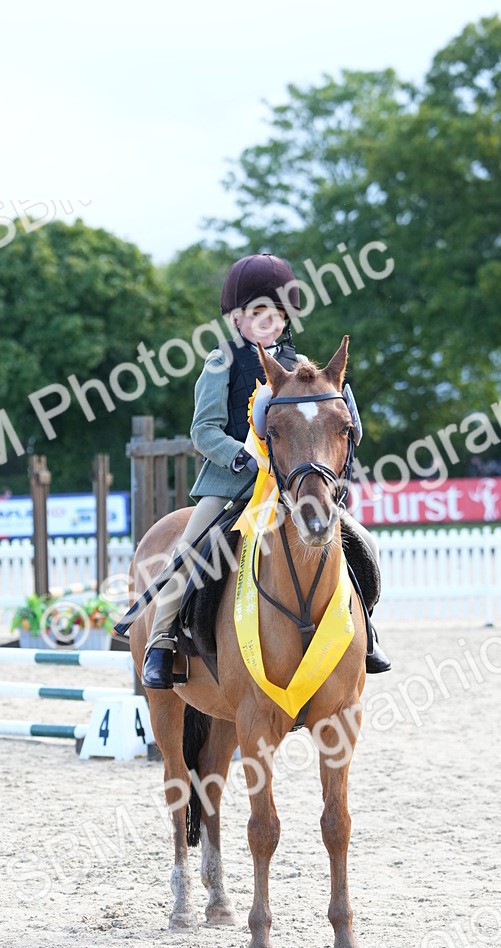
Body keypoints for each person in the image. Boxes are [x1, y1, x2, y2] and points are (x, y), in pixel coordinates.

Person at [141, 253, 390, 689]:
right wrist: (240, 456)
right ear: (236, 318)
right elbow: (203, 430)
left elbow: (323, 419)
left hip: (291, 484)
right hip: (232, 482)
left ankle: (364, 630)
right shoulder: (220, 362)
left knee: (363, 542)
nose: (267, 322)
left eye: (275, 314)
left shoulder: (302, 363)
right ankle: (161, 640)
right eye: (257, 314)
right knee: (188, 550)